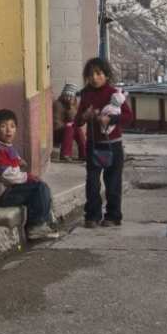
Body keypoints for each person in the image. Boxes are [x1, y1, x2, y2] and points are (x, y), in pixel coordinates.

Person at [76, 57, 134, 229]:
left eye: (98, 73)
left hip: (113, 145)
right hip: (93, 145)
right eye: (91, 74)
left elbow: (129, 117)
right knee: (92, 183)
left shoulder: (115, 94)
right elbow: (78, 120)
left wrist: (111, 119)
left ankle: (113, 216)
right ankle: (92, 216)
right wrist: (85, 117)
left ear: (106, 75)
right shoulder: (85, 94)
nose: (94, 78)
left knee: (113, 183)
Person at [0, 110, 59, 241]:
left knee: (41, 186)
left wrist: (20, 162)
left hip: (11, 189)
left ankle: (45, 221)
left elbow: (14, 159)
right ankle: (36, 227)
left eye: (12, 126)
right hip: (4, 194)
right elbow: (7, 175)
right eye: (3, 126)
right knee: (38, 188)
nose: (8, 130)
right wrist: (27, 176)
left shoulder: (6, 147)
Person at [53, 83, 86, 161]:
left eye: (71, 96)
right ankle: (65, 154)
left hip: (68, 131)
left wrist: (70, 107)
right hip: (57, 133)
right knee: (70, 128)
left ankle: (84, 154)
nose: (68, 98)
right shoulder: (58, 104)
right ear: (63, 95)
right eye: (66, 95)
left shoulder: (73, 104)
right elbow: (56, 124)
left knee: (77, 129)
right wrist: (67, 125)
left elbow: (77, 121)